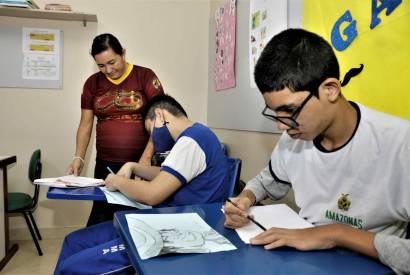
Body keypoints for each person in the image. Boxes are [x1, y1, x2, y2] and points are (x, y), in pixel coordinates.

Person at [223, 28, 410, 274]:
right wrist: (244, 200)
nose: (281, 124)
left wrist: (335, 233)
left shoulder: (400, 144)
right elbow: (267, 182)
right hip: (307, 262)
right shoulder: (293, 139)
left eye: (290, 110)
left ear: (330, 89)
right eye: (274, 112)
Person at [54, 94, 229, 274]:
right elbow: (166, 175)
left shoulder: (191, 141)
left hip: (178, 233)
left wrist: (117, 181)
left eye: (150, 130)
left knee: (72, 269)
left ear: (160, 115)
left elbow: (152, 194)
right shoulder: (196, 136)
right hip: (162, 222)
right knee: (73, 241)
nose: (153, 139)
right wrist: (133, 166)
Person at [65, 33, 164, 226]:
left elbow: (160, 119)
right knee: (102, 220)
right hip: (105, 165)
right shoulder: (92, 83)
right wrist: (78, 157)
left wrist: (146, 158)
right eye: (101, 66)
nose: (108, 70)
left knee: (137, 222)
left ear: (123, 53)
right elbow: (85, 123)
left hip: (140, 164)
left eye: (112, 62)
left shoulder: (145, 76)